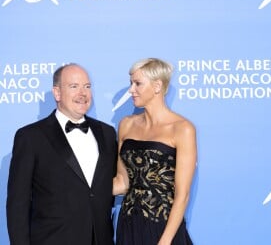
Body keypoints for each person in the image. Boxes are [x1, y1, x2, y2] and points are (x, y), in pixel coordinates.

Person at [6, 63, 118, 245]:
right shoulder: (31, 137)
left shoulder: (107, 132)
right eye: (74, 86)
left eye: (87, 86)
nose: (83, 93)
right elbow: (18, 204)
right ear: (57, 93)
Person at [113, 58, 197, 245]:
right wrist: (79, 189)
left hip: (164, 227)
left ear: (157, 86)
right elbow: (122, 182)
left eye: (138, 84)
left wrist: (165, 242)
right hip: (129, 225)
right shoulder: (126, 125)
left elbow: (182, 194)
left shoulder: (182, 128)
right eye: (131, 83)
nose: (131, 90)